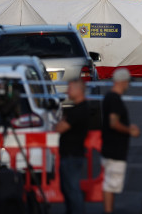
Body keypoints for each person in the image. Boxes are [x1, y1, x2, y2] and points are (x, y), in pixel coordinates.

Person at [101, 69, 141, 214]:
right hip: (115, 150)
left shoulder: (109, 98)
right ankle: (108, 210)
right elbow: (113, 122)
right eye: (128, 82)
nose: (128, 85)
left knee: (111, 184)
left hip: (110, 148)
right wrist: (130, 130)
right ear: (122, 82)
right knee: (111, 185)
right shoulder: (115, 100)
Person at [56, 79, 90, 214]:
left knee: (72, 189)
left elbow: (60, 128)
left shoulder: (78, 110)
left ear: (78, 90)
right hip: (70, 154)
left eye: (70, 88)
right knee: (68, 188)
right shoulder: (79, 108)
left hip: (71, 155)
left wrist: (61, 122)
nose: (67, 91)